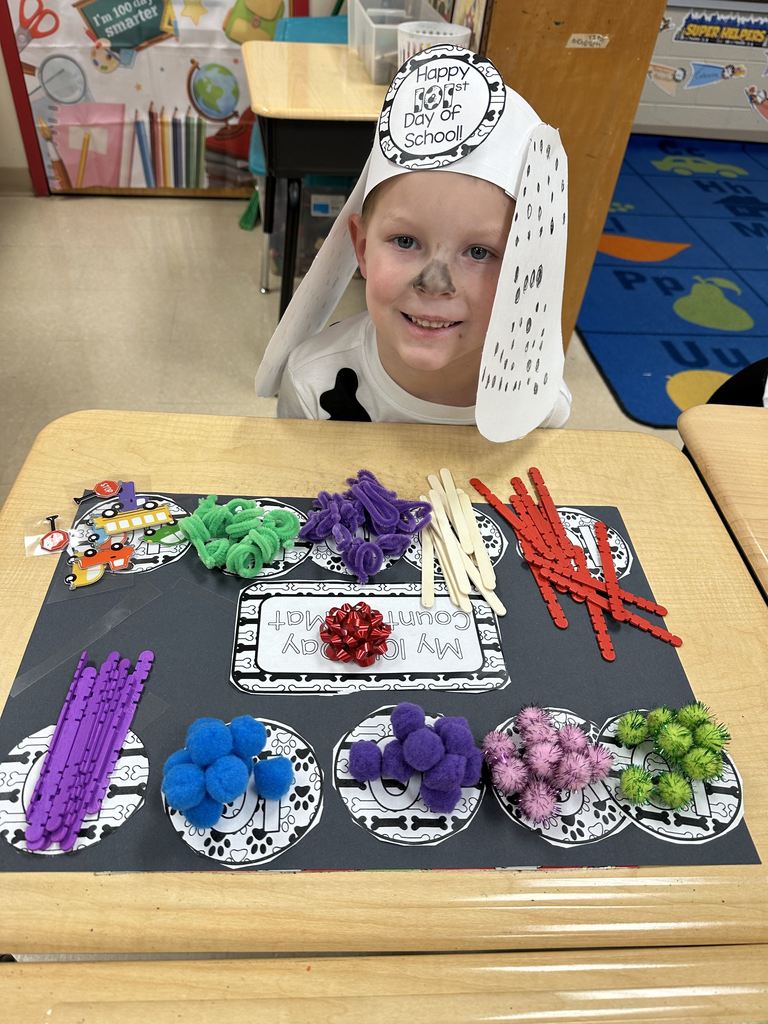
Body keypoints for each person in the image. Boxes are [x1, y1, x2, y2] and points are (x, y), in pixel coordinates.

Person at [256, 45, 572, 442]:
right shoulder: (312, 386)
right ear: (362, 247)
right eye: (405, 240)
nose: (435, 283)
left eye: (479, 252)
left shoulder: (536, 402)